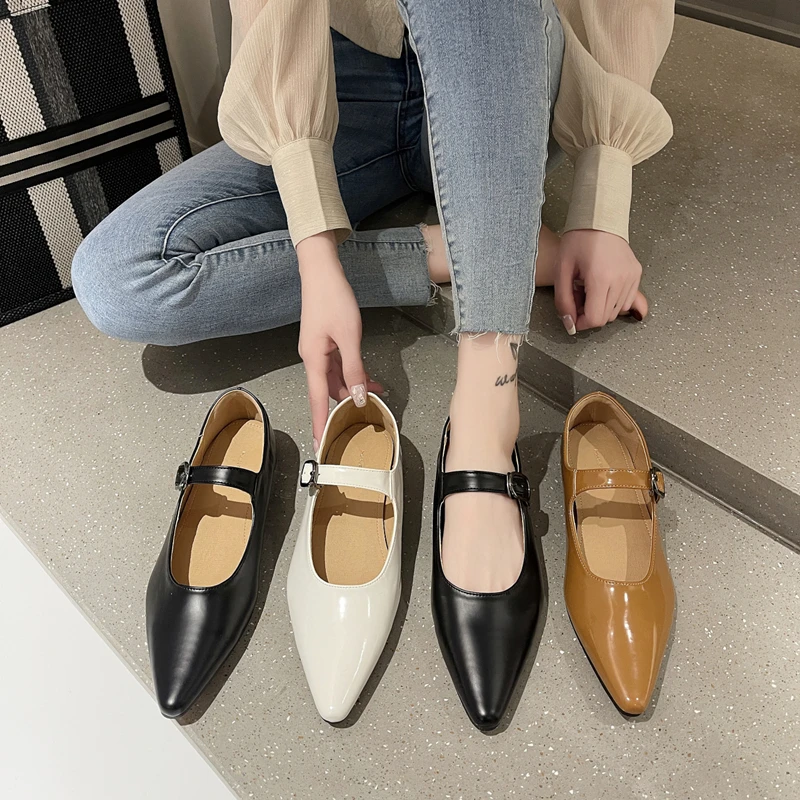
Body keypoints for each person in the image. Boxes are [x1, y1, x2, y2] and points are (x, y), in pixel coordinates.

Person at [72, 0, 674, 594]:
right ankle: (454, 251)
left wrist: (603, 187)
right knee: (117, 280)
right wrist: (315, 254)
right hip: (341, 78)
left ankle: (486, 420)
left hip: (499, 65)